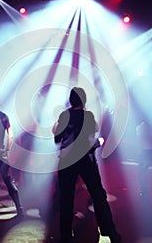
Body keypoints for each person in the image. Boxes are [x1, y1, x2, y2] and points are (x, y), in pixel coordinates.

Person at [52, 87, 121, 243]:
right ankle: (110, 232)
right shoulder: (88, 116)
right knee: (98, 195)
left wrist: (62, 118)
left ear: (70, 100)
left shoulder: (65, 115)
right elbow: (92, 137)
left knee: (66, 199)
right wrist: (100, 142)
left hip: (67, 160)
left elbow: (56, 137)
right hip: (85, 160)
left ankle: (66, 236)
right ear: (84, 100)